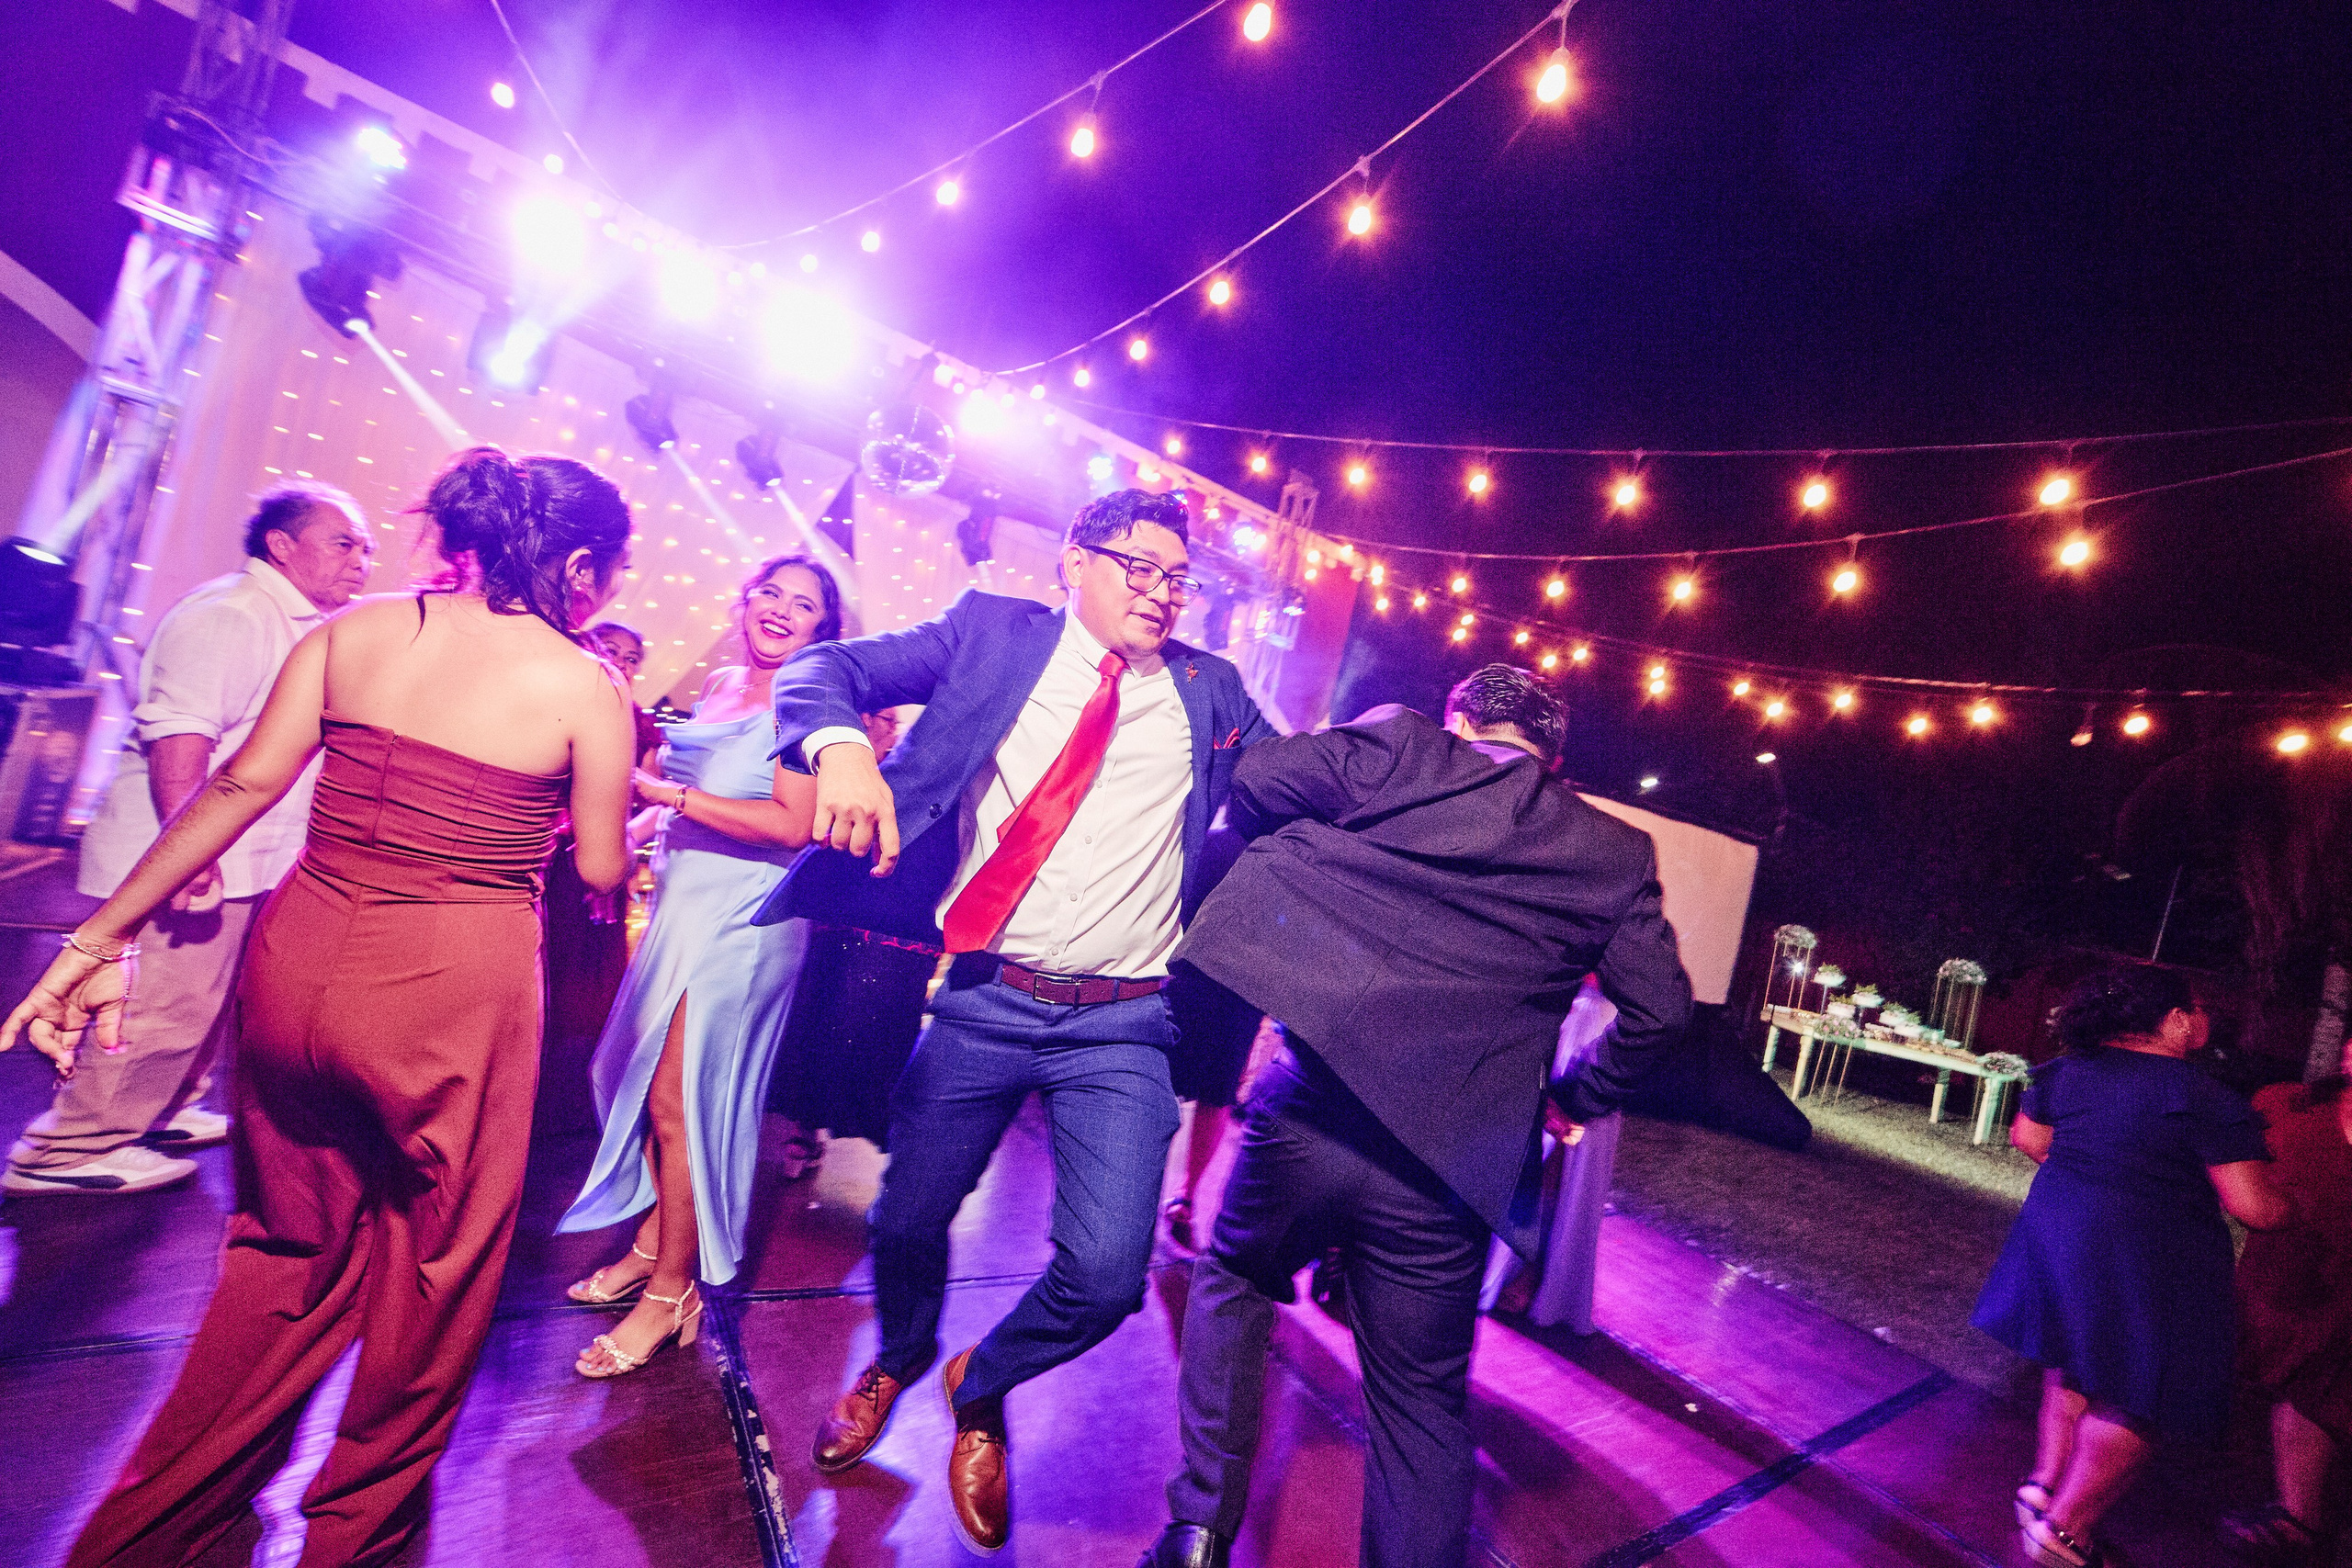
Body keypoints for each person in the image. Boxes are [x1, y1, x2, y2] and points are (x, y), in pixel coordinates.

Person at [2, 446, 638, 1568]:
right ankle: (355, 1536)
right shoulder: (588, 687)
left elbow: (241, 783)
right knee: (438, 1272)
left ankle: (165, 1528)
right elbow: (596, 868)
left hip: (302, 966)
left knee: (282, 1249)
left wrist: (100, 936)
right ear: (582, 568)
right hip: (451, 988)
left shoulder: (356, 631)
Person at [771, 488, 1273, 1554]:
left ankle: (981, 1381)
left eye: (1176, 578)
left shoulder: (1211, 689)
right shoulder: (991, 634)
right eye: (1138, 567)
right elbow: (826, 671)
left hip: (1122, 1023)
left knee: (1107, 1276)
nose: (1161, 592)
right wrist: (841, 750)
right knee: (906, 1221)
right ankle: (898, 1356)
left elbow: (1295, 782)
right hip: (983, 998)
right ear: (1074, 563)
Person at [1135, 664, 1693, 1568]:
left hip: (1312, 1111)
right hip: (1449, 1167)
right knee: (1420, 1404)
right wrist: (1571, 1097)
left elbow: (1257, 779)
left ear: (1459, 720)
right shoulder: (1612, 851)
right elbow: (1662, 1014)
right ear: (1552, 759)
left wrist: (1317, 871)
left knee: (1235, 1277)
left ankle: (1198, 1529)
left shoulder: (1403, 747)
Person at [7, 485, 375, 1197]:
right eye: (344, 543)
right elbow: (182, 734)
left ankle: (162, 1111)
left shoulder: (290, 620)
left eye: (365, 547)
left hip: (236, 857)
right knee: (158, 1006)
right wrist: (192, 851)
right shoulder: (232, 614)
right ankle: (68, 1151)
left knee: (200, 1003)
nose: (361, 559)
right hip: (188, 854)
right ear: (282, 545)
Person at [557, 554, 841, 1376]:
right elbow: (684, 801)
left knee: (683, 1103)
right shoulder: (721, 683)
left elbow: (792, 825)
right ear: (744, 600)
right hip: (681, 910)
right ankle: (653, 1244)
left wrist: (664, 796)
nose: (781, 610)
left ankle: (673, 1289)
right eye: (771, 592)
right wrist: (627, 836)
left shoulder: (808, 702)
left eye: (804, 604)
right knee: (648, 1086)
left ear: (823, 629)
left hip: (741, 924)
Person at [1972, 964, 2291, 1568]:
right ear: (2175, 1020)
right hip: (2153, 1262)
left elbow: (2028, 1138)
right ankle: (2065, 1532)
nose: (2206, 1019)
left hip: (2059, 1241)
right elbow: (2255, 1207)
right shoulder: (2201, 1098)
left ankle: (2043, 1486)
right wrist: (2299, 1207)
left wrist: (2092, 1177)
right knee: (2143, 1393)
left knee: (2074, 1362)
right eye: (2199, 1009)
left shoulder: (2068, 1070)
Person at [766, 705, 936, 1173]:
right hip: (835, 925)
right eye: (885, 720)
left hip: (900, 934)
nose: (892, 730)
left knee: (877, 1042)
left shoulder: (920, 776)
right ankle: (803, 1134)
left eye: (893, 722)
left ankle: (896, 1160)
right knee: (813, 1031)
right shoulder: (838, 769)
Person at [2222, 1069, 2351, 1567]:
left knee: (2327, 1391)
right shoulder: (2288, 1106)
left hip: (2338, 1293)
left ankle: (2302, 1522)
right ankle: (2298, 1520)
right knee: (2299, 1390)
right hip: (2283, 1287)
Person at [1159, 826, 1263, 1253]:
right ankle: (1184, 1198)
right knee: (1214, 1095)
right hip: (1235, 990)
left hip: (1197, 980)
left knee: (1168, 1087)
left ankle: (1160, 1195)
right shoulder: (1286, 856)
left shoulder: (1216, 842)